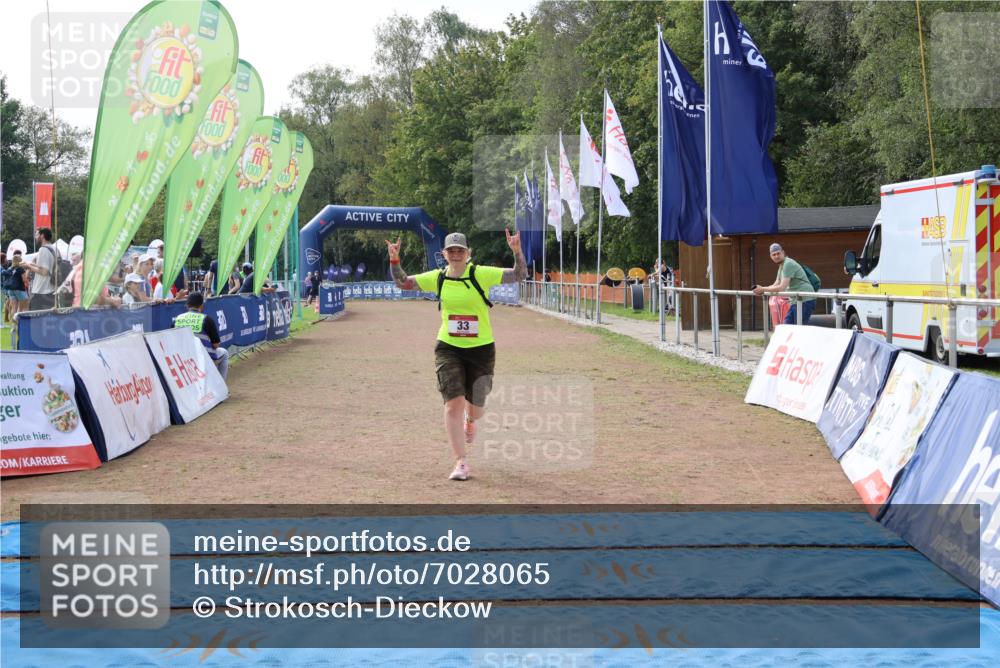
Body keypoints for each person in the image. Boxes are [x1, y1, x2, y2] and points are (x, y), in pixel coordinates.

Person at [387, 229, 526, 481]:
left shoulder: (480, 274)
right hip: (448, 346)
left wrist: (516, 251)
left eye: (460, 250)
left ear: (468, 253)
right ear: (444, 254)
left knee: (477, 406)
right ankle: (461, 462)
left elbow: (519, 275)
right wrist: (395, 260)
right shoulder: (438, 278)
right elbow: (403, 283)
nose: (456, 254)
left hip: (481, 348)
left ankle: (471, 421)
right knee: (453, 402)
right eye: (451, 251)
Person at [753, 242, 816, 325]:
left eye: (778, 253)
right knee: (787, 326)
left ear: (783, 252)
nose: (776, 256)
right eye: (773, 255)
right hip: (796, 300)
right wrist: (761, 289)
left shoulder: (788, 264)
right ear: (770, 256)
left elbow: (781, 287)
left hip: (805, 299)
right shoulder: (782, 266)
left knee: (798, 329)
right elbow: (776, 283)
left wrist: (763, 289)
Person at [174, 292, 229, 380]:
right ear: (201, 305)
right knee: (224, 353)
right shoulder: (207, 319)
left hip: (182, 357)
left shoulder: (177, 319)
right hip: (203, 357)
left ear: (187, 305)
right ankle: (222, 387)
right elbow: (216, 345)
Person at [22, 227, 58, 311]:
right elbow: (48, 268)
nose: (35, 237)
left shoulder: (43, 249)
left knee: (36, 321)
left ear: (42, 236)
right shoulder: (55, 249)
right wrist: (31, 264)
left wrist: (29, 267)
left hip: (41, 291)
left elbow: (44, 272)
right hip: (52, 291)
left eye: (36, 235)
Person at [2, 251, 29, 322]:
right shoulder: (20, 269)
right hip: (19, 288)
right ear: (19, 260)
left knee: (14, 307)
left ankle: (14, 322)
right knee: (24, 305)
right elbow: (24, 279)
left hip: (10, 289)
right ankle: (23, 321)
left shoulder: (10, 269)